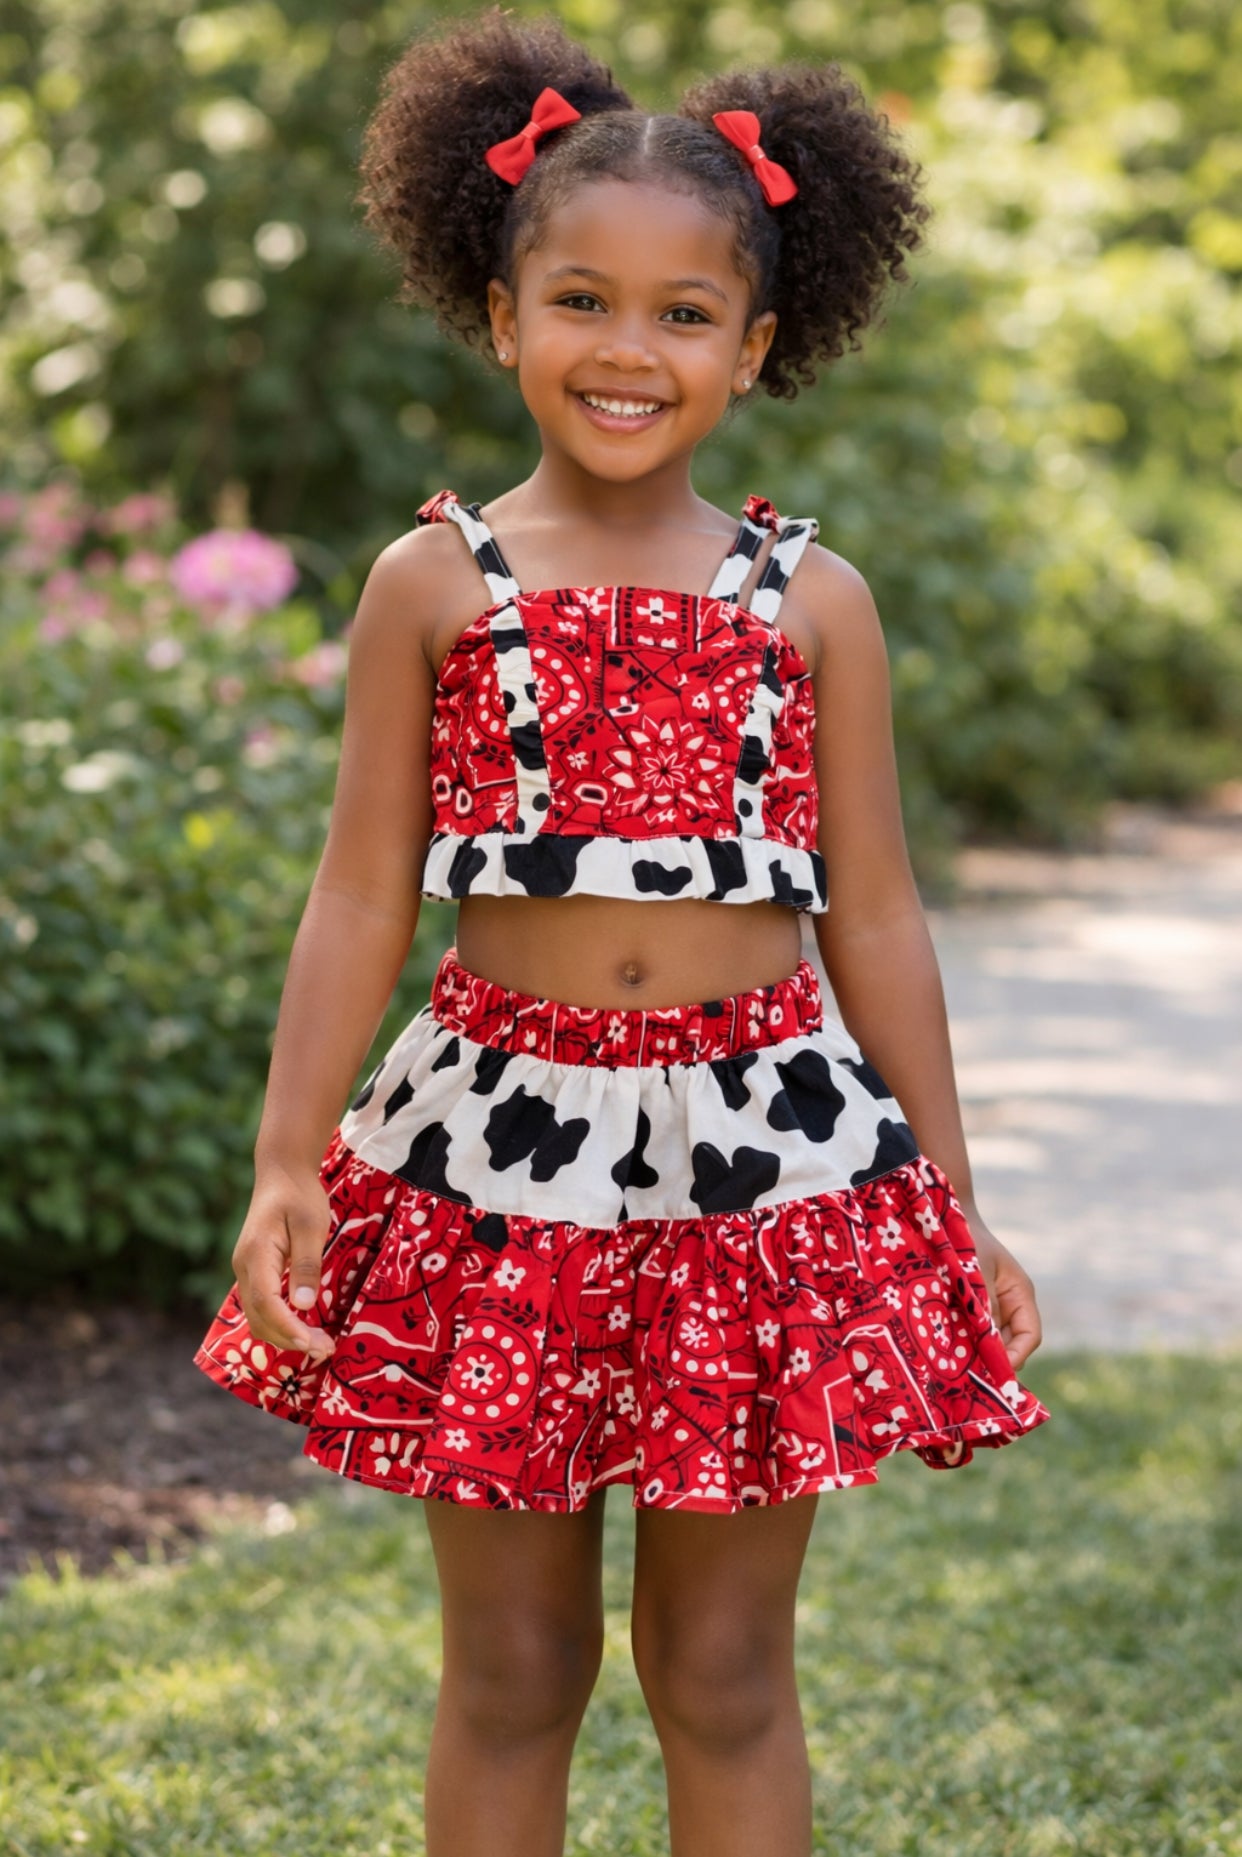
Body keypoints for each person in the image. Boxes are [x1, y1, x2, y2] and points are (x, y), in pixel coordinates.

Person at [194, 9, 1051, 1853]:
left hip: (767, 1166)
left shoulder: (812, 600)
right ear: (501, 317)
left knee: (726, 1671)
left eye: (681, 315)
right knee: (512, 1674)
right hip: (497, 1166)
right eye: (581, 299)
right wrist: (288, 1158)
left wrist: (950, 1193)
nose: (626, 348)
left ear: (753, 347)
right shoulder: (431, 582)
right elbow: (358, 887)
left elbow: (876, 914)